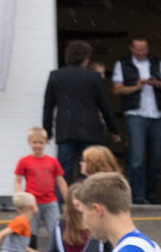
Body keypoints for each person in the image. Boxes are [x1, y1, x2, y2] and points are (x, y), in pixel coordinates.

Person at [40, 39, 114, 179]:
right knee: (91, 168)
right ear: (86, 59)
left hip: (66, 127)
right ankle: (88, 198)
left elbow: (48, 106)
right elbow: (104, 104)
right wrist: (113, 129)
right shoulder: (93, 76)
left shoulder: (56, 75)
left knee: (63, 169)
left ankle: (61, 199)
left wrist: (47, 131)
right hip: (90, 128)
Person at [111, 39, 161, 204]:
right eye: (138, 49)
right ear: (131, 48)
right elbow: (116, 89)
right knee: (136, 157)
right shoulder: (122, 64)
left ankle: (150, 196)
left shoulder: (156, 62)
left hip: (156, 114)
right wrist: (137, 86)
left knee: (155, 159)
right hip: (135, 113)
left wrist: (155, 82)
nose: (141, 52)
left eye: (144, 49)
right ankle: (137, 196)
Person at [14, 126, 65, 243]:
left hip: (50, 202)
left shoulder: (53, 161)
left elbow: (61, 181)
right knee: (31, 233)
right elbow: (18, 180)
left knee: (56, 231)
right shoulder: (24, 161)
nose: (37, 145)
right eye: (34, 142)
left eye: (41, 142)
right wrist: (19, 195)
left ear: (46, 142)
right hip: (31, 203)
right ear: (29, 143)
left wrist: (67, 200)